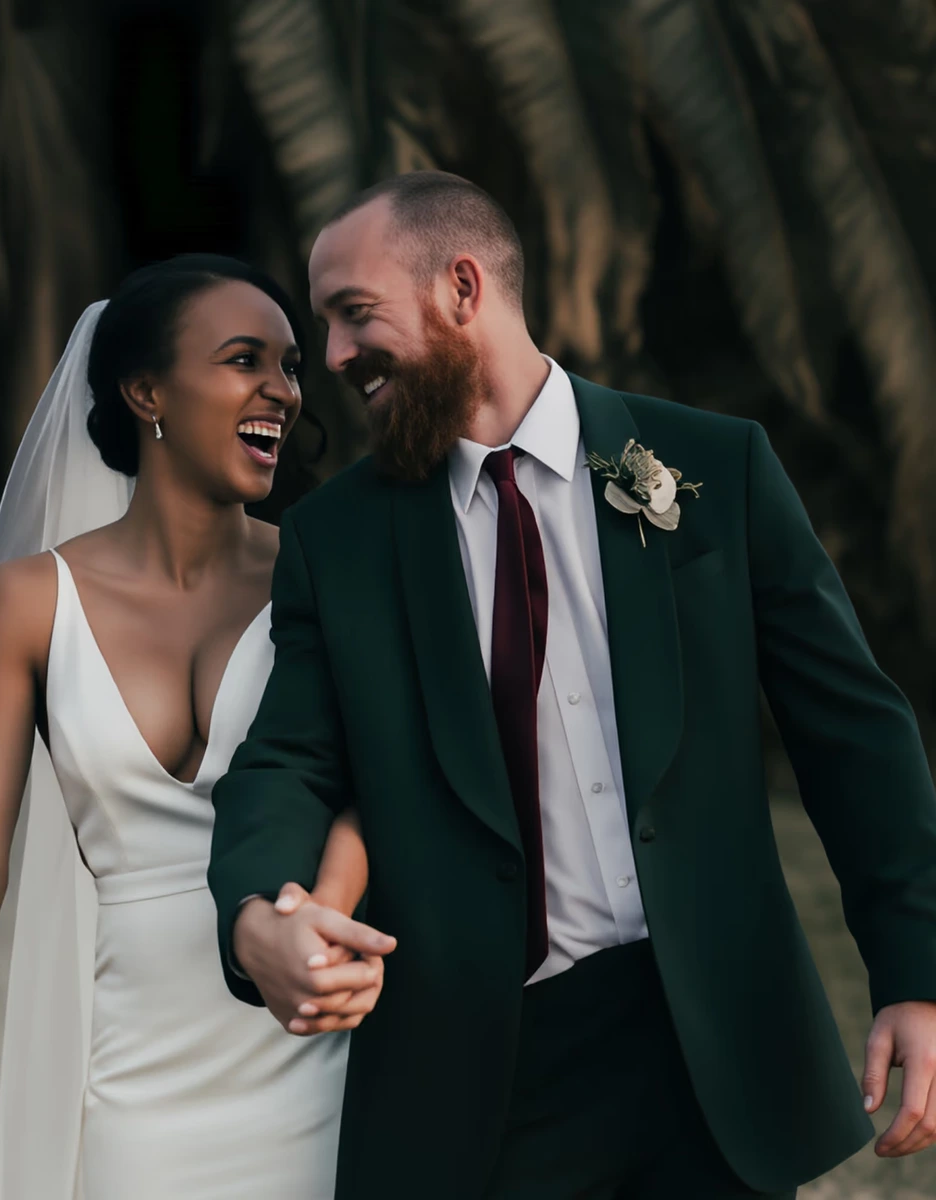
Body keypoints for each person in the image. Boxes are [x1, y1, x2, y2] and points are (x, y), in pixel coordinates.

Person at [208, 172, 936, 1200]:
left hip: (709, 1056)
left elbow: (854, 734)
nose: (329, 358)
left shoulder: (711, 468)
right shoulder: (340, 539)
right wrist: (253, 914)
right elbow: (286, 759)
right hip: (484, 1083)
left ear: (463, 287)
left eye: (352, 314)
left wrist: (917, 975)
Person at [0, 255, 386, 1200]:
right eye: (244, 360)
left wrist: (322, 927)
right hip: (134, 1078)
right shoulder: (27, 606)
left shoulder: (323, 572)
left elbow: (378, 786)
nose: (280, 390)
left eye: (288, 365)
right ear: (146, 389)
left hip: (317, 1042)